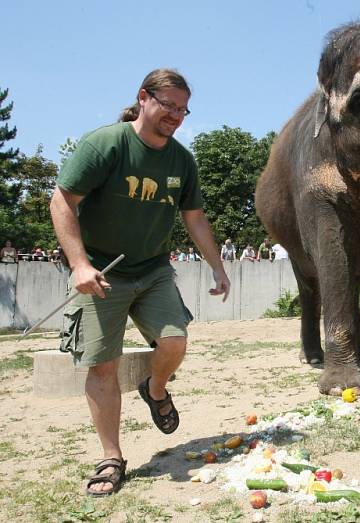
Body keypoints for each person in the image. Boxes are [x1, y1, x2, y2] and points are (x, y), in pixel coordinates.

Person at [49, 68, 230, 498]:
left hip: (151, 269)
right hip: (101, 273)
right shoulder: (106, 144)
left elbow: (195, 217)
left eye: (183, 109)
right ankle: (111, 457)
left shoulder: (181, 161)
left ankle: (155, 387)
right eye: (169, 105)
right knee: (103, 365)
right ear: (144, 97)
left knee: (174, 341)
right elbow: (62, 200)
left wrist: (218, 267)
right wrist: (78, 264)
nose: (176, 116)